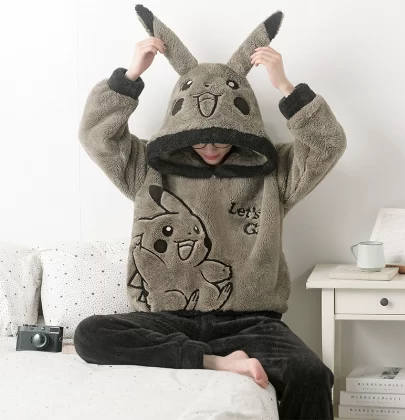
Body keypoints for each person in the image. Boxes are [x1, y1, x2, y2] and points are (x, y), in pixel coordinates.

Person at [74, 5, 346, 419]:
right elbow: (98, 137)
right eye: (201, 138)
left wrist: (286, 87)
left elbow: (328, 145)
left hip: (252, 322)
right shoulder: (148, 169)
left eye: (221, 137)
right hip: (169, 319)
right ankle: (217, 362)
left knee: (310, 374)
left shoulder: (274, 173)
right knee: (90, 334)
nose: (211, 147)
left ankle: (219, 356)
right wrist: (130, 77)